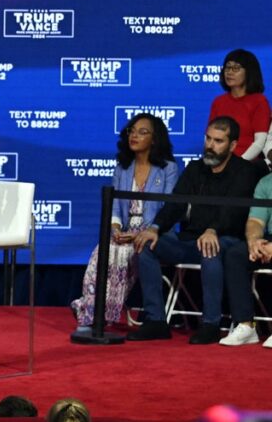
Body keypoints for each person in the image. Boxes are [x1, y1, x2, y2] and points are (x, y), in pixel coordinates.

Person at [129, 117, 259, 344]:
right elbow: (175, 203)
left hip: (226, 239)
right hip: (189, 239)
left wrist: (212, 230)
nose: (210, 145)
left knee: (210, 247)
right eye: (208, 139)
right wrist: (155, 228)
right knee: (147, 246)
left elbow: (234, 212)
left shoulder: (244, 171)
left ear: (233, 145)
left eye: (218, 141)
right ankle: (155, 320)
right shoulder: (195, 168)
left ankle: (210, 324)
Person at [70, 114, 179, 333]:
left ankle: (103, 315)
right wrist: (117, 228)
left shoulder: (168, 169)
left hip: (156, 233)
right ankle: (91, 315)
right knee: (102, 253)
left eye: (142, 132)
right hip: (125, 231)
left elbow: (169, 209)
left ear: (155, 139)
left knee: (128, 252)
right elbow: (116, 206)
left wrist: (143, 231)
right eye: (132, 130)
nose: (134, 135)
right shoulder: (122, 168)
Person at [218, 170, 272, 347]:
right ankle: (246, 325)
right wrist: (254, 241)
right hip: (268, 239)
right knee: (236, 255)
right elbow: (256, 221)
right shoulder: (266, 182)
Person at [209, 49, 269, 161]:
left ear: (249, 72)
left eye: (236, 68)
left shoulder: (259, 101)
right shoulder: (219, 101)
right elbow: (209, 138)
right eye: (227, 67)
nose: (229, 72)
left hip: (247, 165)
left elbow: (260, 142)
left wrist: (239, 165)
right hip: (219, 164)